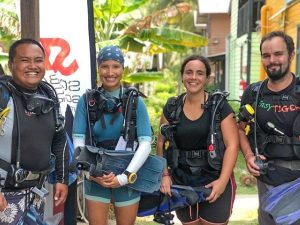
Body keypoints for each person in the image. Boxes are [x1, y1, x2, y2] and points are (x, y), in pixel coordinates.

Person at [72, 45, 152, 225]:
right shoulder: (86, 101)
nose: (110, 72)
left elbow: (146, 143)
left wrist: (124, 177)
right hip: (95, 175)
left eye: (115, 66)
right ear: (98, 68)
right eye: (105, 66)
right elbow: (78, 142)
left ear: (123, 68)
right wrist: (90, 173)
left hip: (127, 173)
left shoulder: (135, 102)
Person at [157, 55, 239, 225]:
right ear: (182, 76)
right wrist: (165, 174)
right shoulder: (172, 108)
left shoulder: (219, 107)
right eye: (189, 72)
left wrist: (223, 182)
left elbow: (232, 145)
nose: (193, 77)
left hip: (215, 179)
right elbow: (160, 143)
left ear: (207, 78)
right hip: (182, 181)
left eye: (199, 73)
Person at [0, 38, 68, 224]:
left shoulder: (48, 96)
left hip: (37, 194)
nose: (32, 66)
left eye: (38, 60)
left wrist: (62, 178)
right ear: (11, 64)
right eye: (24, 60)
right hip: (5, 197)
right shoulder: (3, 95)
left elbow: (59, 139)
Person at [238, 31, 300, 225]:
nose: (272, 60)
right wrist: (248, 156)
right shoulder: (254, 93)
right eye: (266, 55)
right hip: (267, 179)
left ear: (291, 55)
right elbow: (239, 129)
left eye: (278, 54)